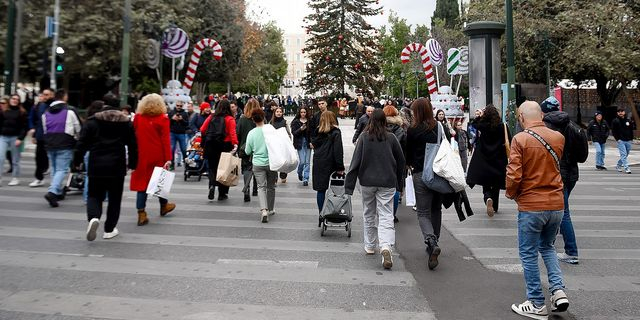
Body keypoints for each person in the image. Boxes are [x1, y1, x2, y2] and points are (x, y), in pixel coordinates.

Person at [506, 101, 569, 319]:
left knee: (529, 253)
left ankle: (536, 302)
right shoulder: (558, 138)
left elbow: (514, 175)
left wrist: (512, 194)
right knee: (548, 247)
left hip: (532, 204)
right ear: (541, 115)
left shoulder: (520, 139)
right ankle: (558, 290)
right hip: (556, 203)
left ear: (522, 117)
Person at [346, 109, 405, 270]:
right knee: (386, 215)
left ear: (370, 120)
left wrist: (349, 187)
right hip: (387, 181)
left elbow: (355, 162)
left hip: (367, 182)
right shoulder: (392, 138)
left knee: (369, 213)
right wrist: (400, 184)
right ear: (385, 121)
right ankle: (385, 246)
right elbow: (401, 162)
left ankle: (370, 245)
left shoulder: (364, 138)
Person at [74, 101, 138, 241]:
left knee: (94, 195)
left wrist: (76, 162)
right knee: (115, 199)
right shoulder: (125, 123)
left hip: (96, 164)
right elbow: (133, 145)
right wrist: (133, 163)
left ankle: (93, 217)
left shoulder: (92, 122)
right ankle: (109, 229)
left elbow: (81, 143)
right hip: (117, 165)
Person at [406, 98, 450, 270]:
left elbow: (408, 155)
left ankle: (431, 241)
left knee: (423, 212)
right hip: (438, 173)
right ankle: (435, 241)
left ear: (416, 112)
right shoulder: (439, 127)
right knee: (436, 209)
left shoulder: (413, 130)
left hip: (420, 174)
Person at [541, 96, 585, 265]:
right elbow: (581, 156)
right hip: (573, 173)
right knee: (561, 209)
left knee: (564, 212)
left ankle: (571, 251)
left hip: (558, 173)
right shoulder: (573, 126)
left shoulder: (549, 128)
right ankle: (556, 234)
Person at [130, 94, 176, 226]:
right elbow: (165, 140)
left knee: (142, 185)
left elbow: (133, 134)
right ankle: (164, 206)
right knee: (160, 182)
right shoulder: (163, 119)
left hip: (141, 155)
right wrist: (168, 158)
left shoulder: (138, 118)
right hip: (158, 155)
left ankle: (141, 213)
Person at [466, 105, 510, 217]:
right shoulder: (502, 126)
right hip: (498, 159)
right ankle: (494, 206)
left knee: (486, 183)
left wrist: (480, 116)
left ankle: (488, 197)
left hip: (484, 158)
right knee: (496, 183)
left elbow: (473, 124)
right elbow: (509, 138)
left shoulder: (483, 125)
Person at [41, 89, 82, 207]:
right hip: (65, 143)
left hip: (49, 143)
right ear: (65, 97)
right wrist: (78, 139)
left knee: (54, 168)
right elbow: (78, 127)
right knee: (62, 169)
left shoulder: (46, 112)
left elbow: (45, 129)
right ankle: (53, 191)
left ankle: (57, 191)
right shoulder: (70, 111)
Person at [201, 99, 239, 201]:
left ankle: (212, 185)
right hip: (225, 145)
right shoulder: (230, 119)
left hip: (211, 145)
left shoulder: (211, 116)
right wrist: (235, 144)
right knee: (224, 168)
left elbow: (202, 129)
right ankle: (222, 194)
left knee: (212, 168)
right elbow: (232, 133)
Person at [244, 108, 277, 223]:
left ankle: (264, 210)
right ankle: (271, 209)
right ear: (264, 117)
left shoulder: (251, 133)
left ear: (253, 120)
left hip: (257, 163)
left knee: (261, 187)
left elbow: (247, 151)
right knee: (271, 186)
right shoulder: (271, 130)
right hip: (271, 163)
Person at [312, 111, 345, 212]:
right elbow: (338, 151)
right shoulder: (336, 132)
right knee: (336, 190)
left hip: (319, 162)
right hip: (332, 163)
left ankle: (321, 213)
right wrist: (340, 167)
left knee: (321, 190)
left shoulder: (317, 132)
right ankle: (334, 211)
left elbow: (314, 145)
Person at [383, 105, 406, 223]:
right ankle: (393, 214)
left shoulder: (381, 128)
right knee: (396, 188)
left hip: (383, 161)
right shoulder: (400, 129)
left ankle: (384, 213)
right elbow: (405, 147)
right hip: (398, 161)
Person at [27, 88, 54, 187]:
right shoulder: (39, 106)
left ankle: (55, 181)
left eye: (47, 94)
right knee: (39, 157)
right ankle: (39, 178)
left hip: (53, 136)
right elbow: (37, 121)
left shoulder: (55, 106)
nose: (45, 96)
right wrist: (34, 135)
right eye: (44, 94)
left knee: (54, 157)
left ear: (52, 95)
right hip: (41, 136)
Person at [0, 94, 28, 186]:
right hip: (3, 137)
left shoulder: (21, 112)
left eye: (17, 99)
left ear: (19, 101)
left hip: (15, 138)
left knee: (15, 160)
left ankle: (15, 178)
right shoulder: (3, 111)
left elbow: (24, 127)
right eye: (13, 98)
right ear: (10, 99)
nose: (15, 100)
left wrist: (20, 138)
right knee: (1, 158)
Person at [236, 98, 259, 202]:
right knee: (257, 168)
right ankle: (255, 188)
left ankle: (247, 188)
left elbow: (238, 134)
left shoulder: (242, 119)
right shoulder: (260, 119)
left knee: (246, 168)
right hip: (258, 148)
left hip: (244, 148)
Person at [291, 106, 311, 186]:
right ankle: (299, 172)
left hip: (308, 142)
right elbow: (294, 133)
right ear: (299, 113)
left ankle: (306, 178)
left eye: (304, 112)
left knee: (307, 162)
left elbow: (312, 133)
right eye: (301, 112)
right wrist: (300, 129)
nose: (303, 114)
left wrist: (312, 142)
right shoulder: (295, 122)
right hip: (300, 142)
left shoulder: (309, 121)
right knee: (302, 161)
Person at [270, 106, 292, 183]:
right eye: (277, 112)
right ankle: (275, 177)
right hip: (274, 145)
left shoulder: (285, 122)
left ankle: (283, 175)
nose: (279, 113)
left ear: (282, 113)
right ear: (274, 113)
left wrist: (289, 143)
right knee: (275, 160)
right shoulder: (271, 122)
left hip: (283, 145)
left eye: (280, 112)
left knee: (283, 161)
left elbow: (289, 134)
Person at [611, 107, 636, 174]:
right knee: (623, 154)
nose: (620, 113)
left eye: (622, 111)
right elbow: (614, 131)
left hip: (628, 140)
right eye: (619, 111)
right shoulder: (615, 121)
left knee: (626, 154)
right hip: (621, 140)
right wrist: (617, 139)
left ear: (624, 112)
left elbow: (631, 130)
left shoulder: (628, 120)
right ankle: (627, 168)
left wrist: (631, 138)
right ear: (617, 113)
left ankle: (618, 165)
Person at [168, 101, 189, 169]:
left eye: (180, 106)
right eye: (178, 105)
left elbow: (187, 124)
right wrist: (172, 119)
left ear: (182, 106)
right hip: (172, 133)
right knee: (172, 149)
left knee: (183, 149)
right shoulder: (171, 112)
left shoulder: (185, 114)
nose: (179, 107)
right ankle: (172, 164)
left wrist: (182, 119)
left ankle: (186, 164)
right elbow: (167, 123)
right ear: (175, 105)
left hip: (181, 133)